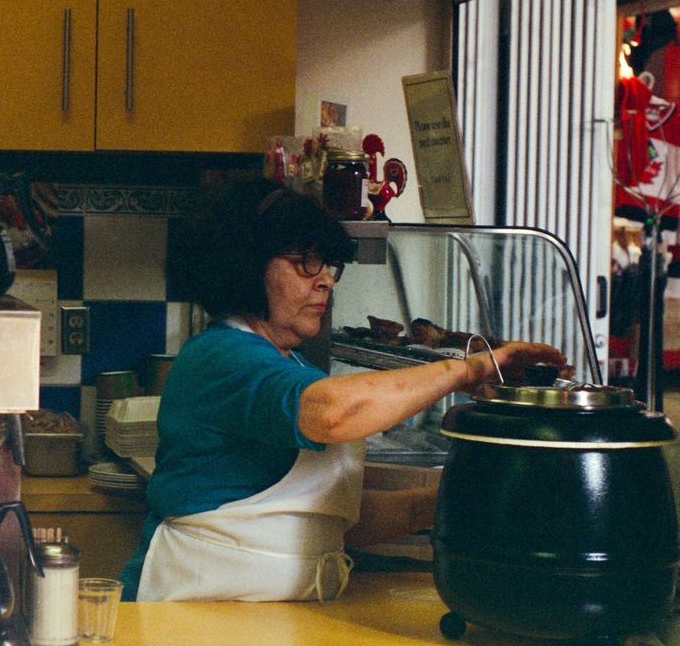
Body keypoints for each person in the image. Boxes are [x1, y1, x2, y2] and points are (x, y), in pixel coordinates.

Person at [119, 178, 565, 603]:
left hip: (268, 611)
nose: (326, 280)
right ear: (248, 266)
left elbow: (323, 520)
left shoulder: (286, 361)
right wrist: (470, 370)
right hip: (192, 609)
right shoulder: (220, 355)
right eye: (304, 262)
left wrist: (454, 499)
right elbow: (330, 413)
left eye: (328, 264)